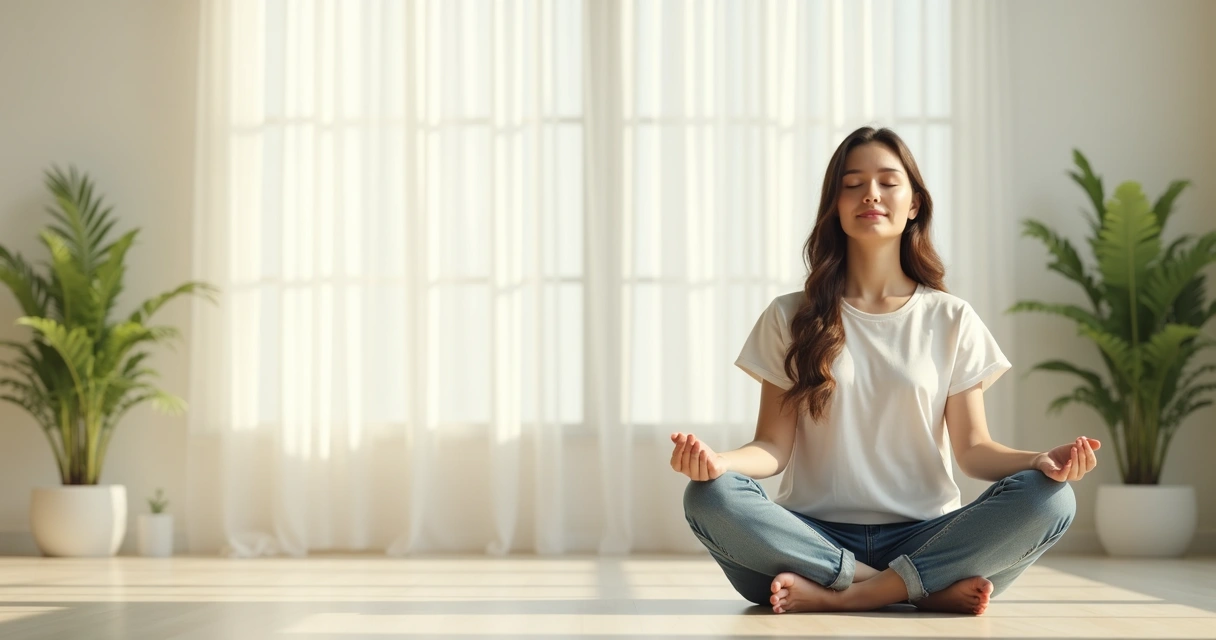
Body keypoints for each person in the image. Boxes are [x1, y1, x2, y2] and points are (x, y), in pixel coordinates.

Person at [671, 126, 1099, 616]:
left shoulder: (950, 317)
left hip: (927, 536)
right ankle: (908, 587)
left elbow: (974, 451)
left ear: (914, 203)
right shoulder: (789, 316)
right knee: (710, 496)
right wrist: (718, 462)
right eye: (852, 184)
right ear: (835, 206)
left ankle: (852, 593)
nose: (870, 194)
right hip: (810, 539)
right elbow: (771, 448)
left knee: (1051, 499)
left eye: (888, 182)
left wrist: (1040, 459)